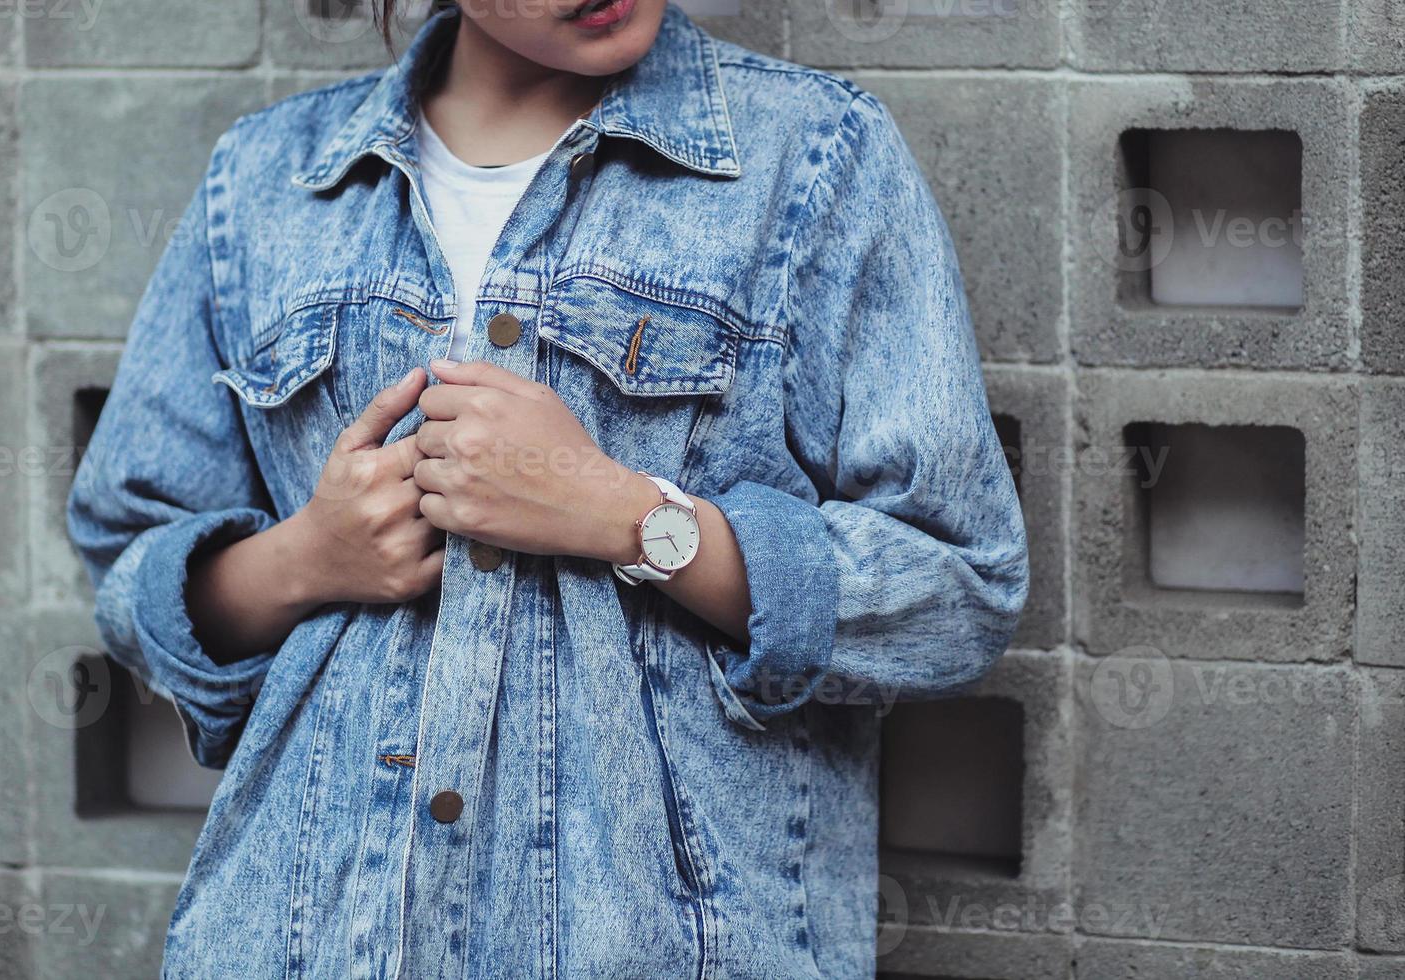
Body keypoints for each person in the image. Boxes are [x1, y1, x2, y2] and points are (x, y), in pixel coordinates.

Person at [67, 0, 1029, 975]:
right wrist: (306, 558)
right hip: (304, 938)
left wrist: (627, 516)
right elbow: (129, 560)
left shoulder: (815, 156)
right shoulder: (266, 179)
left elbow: (958, 584)